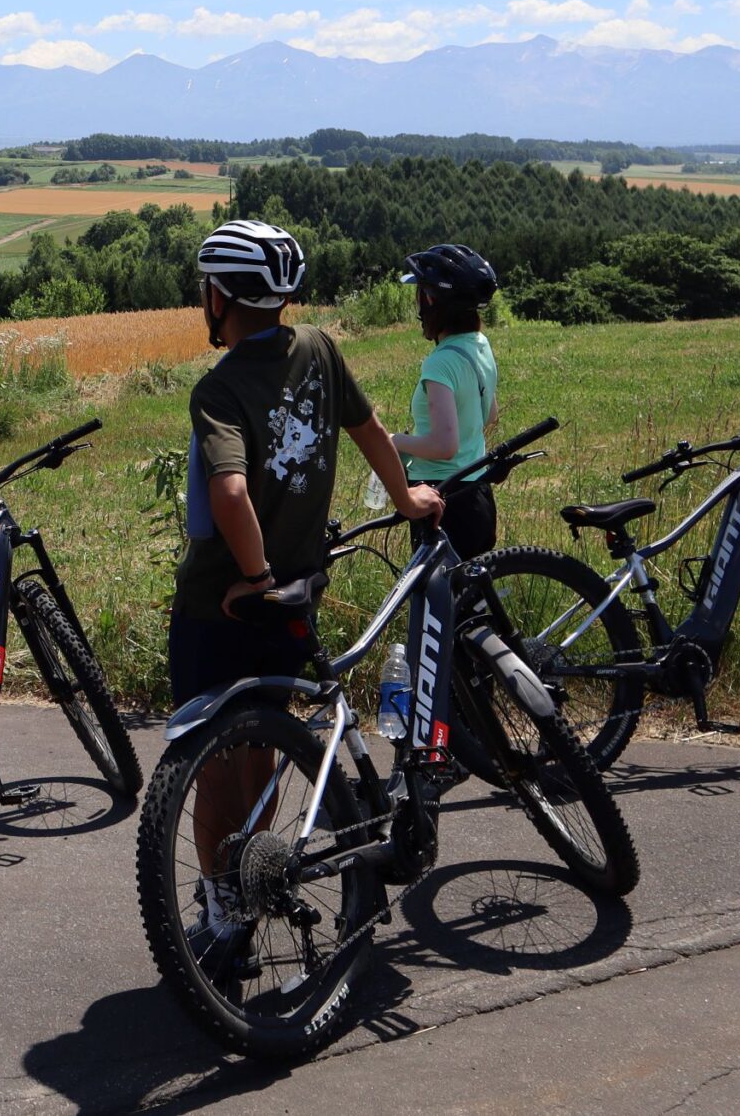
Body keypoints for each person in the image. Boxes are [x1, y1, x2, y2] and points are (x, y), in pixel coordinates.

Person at [172, 219, 443, 940]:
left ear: (219, 297)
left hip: (222, 605)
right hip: (295, 596)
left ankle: (224, 912)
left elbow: (229, 494)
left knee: (210, 766)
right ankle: (259, 883)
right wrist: (406, 498)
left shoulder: (218, 388)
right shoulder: (320, 348)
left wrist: (254, 576)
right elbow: (371, 428)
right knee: (261, 751)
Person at [388, 243, 504, 558]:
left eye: (419, 297)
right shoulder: (479, 345)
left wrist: (392, 441)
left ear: (430, 300)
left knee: (439, 602)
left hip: (442, 498)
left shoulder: (439, 363)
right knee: (473, 601)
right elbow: (490, 414)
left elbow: (444, 446)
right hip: (477, 492)